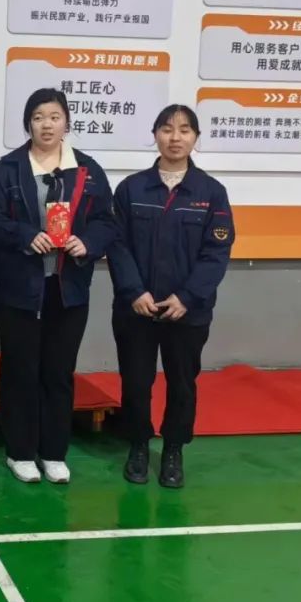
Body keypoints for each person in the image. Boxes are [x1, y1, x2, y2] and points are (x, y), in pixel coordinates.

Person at [0, 89, 117, 484]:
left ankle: (54, 452)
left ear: (66, 122)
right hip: (18, 289)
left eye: (54, 117)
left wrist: (87, 243)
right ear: (28, 123)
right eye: (38, 117)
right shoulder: (8, 169)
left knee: (59, 371)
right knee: (19, 370)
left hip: (67, 287)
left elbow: (107, 222)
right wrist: (25, 235)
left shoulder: (88, 171)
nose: (47, 124)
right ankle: (20, 452)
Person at [107, 104, 235, 489]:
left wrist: (187, 297)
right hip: (136, 309)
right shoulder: (131, 189)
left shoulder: (211, 193)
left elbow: (216, 253)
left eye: (184, 130)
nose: (175, 137)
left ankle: (174, 448)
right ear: (155, 135)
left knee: (182, 383)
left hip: (187, 312)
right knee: (135, 381)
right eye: (166, 129)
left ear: (195, 138)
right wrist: (134, 291)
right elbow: (116, 245)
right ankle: (138, 445)